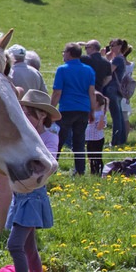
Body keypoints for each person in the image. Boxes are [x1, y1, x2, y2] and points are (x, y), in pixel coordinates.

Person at [6, 90, 60, 272]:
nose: (24, 118)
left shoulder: (49, 138)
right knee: (29, 246)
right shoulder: (20, 135)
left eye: (27, 113)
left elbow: (47, 164)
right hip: (19, 195)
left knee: (15, 245)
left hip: (33, 197)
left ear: (42, 115)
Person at [51, 42, 97, 176]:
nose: (63, 54)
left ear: (69, 53)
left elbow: (57, 92)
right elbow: (92, 92)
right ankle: (80, 170)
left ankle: (52, 168)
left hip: (66, 109)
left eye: (64, 52)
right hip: (83, 109)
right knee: (79, 141)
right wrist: (92, 111)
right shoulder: (89, 70)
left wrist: (50, 110)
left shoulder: (62, 69)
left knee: (58, 141)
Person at [85, 92, 108, 175]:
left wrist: (102, 117)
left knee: (97, 156)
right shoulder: (89, 113)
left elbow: (99, 127)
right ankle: (92, 172)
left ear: (97, 102)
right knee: (90, 157)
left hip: (97, 139)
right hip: (89, 139)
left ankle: (99, 172)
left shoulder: (101, 114)